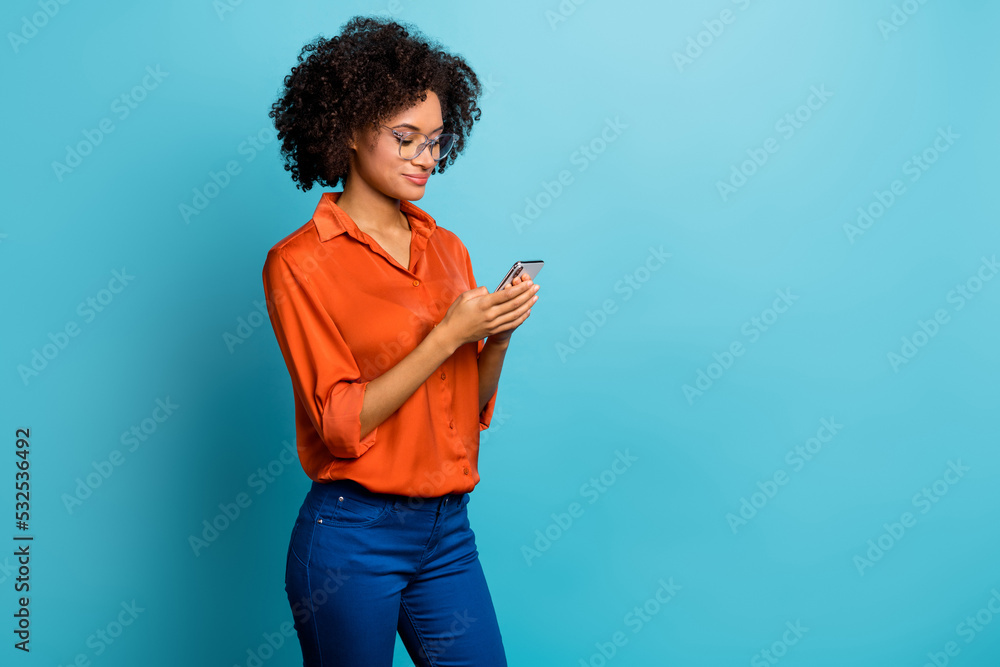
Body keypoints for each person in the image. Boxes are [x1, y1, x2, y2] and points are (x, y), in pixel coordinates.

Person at [260, 15, 540, 667]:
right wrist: (448, 334)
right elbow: (341, 424)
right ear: (351, 130)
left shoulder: (447, 248)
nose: (426, 158)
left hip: (448, 532)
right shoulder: (299, 263)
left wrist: (493, 339)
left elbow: (467, 412)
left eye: (436, 140)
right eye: (405, 138)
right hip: (353, 536)